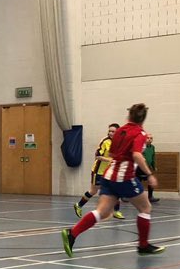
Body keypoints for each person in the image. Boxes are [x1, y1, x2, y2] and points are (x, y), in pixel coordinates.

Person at [62, 103, 164, 257]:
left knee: (102, 212)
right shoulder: (140, 133)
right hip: (124, 177)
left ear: (129, 116)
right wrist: (149, 174)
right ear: (143, 119)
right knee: (145, 208)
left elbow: (113, 154)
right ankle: (143, 245)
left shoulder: (120, 131)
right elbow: (136, 155)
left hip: (109, 175)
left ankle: (72, 234)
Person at [73, 123, 124, 219]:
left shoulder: (120, 143)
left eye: (113, 131)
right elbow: (97, 156)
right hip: (99, 171)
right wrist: (109, 160)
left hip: (111, 171)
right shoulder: (105, 141)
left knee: (116, 190)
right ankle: (79, 205)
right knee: (93, 191)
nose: (111, 133)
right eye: (109, 131)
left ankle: (116, 211)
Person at [138, 133, 160, 203]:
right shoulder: (141, 147)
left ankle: (150, 196)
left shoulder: (152, 147)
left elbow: (153, 157)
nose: (149, 139)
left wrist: (153, 166)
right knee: (138, 183)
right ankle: (134, 197)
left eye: (151, 138)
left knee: (150, 182)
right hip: (140, 168)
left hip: (148, 167)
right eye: (148, 138)